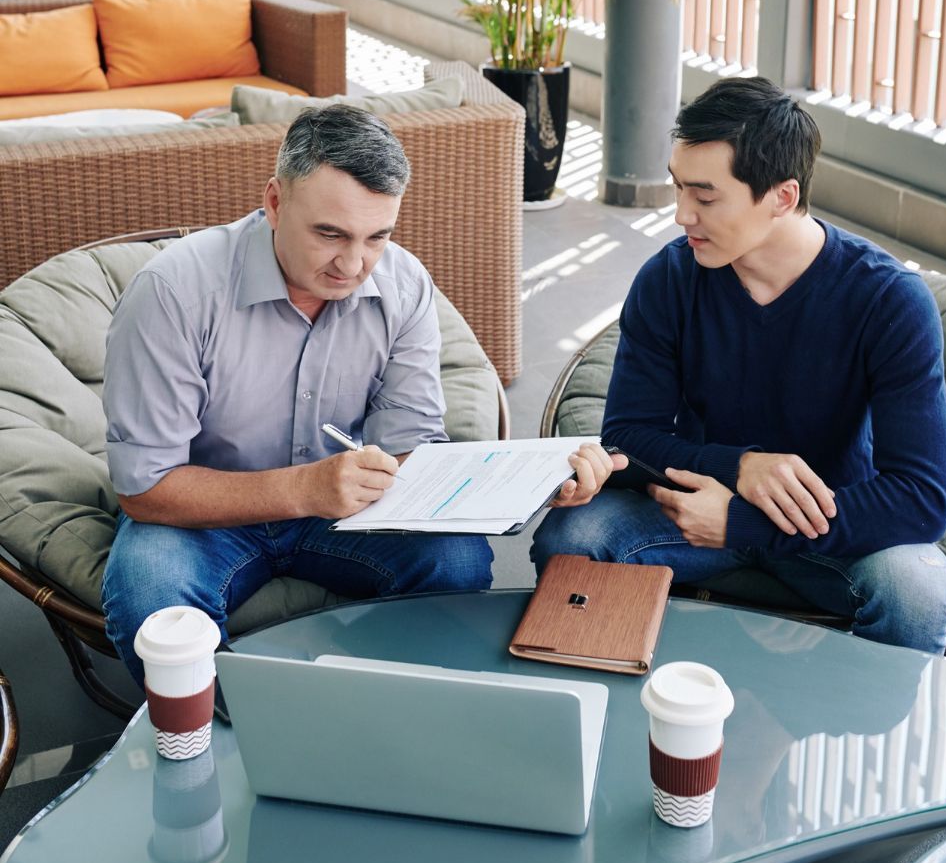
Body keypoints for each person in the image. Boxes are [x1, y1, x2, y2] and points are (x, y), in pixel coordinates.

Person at [102, 102, 616, 686]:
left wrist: (524, 491)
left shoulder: (402, 283)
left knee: (457, 559)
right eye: (329, 234)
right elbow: (144, 489)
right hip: (206, 513)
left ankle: (381, 705)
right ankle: (236, 734)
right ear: (274, 202)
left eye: (377, 236)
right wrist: (306, 488)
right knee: (147, 594)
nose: (354, 264)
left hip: (349, 507)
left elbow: (411, 453)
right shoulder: (172, 292)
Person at [532, 77, 946, 655]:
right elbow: (630, 435)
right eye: (679, 188)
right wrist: (743, 468)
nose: (682, 214)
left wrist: (745, 522)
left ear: (782, 196)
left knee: (916, 592)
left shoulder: (888, 301)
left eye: (705, 197)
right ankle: (614, 712)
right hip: (692, 507)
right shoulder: (669, 279)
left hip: (827, 528)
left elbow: (921, 497)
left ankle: (854, 736)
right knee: (571, 536)